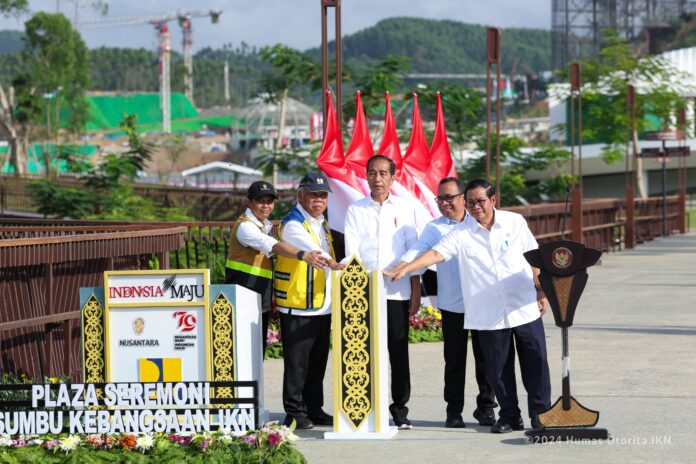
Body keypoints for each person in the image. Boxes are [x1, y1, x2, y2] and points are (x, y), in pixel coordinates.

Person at [384, 179, 552, 433]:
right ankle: (509, 415)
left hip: (523, 304)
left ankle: (541, 414)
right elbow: (435, 254)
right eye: (471, 203)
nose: (475, 208)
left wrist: (541, 291)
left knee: (536, 361)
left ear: (493, 200)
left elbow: (534, 257)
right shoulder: (460, 234)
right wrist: (405, 268)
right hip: (489, 312)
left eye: (480, 202)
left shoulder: (514, 222)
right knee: (498, 368)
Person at [390, 177, 498, 428]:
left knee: (486, 359)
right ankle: (454, 411)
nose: (444, 203)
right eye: (440, 198)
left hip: (482, 302)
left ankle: (486, 408)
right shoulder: (434, 228)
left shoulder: (479, 222)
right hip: (452, 305)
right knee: (454, 361)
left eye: (450, 197)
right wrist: (401, 267)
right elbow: (419, 250)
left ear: (463, 198)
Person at [343, 155, 421, 430]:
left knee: (398, 352)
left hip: (396, 293)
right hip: (363, 294)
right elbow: (350, 250)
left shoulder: (406, 208)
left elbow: (414, 251)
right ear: (366, 175)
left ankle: (399, 409)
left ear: (392, 177)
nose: (377, 179)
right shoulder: (355, 209)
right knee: (362, 350)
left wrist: (415, 288)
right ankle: (365, 407)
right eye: (373, 173)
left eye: (383, 174)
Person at [225, 180, 327, 356]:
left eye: (269, 201)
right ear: (248, 201)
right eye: (260, 201)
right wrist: (303, 255)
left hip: (258, 297)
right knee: (244, 354)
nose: (266, 205)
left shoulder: (264, 225)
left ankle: (257, 385)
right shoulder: (245, 227)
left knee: (256, 354)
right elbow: (273, 246)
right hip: (242, 297)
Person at [274, 173, 343, 430]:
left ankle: (314, 408)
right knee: (297, 364)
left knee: (317, 363)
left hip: (321, 304)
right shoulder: (293, 224)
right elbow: (317, 254)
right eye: (313, 194)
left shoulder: (321, 223)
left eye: (323, 195)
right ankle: (294, 412)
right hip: (298, 303)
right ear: (300, 194)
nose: (318, 200)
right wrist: (337, 265)